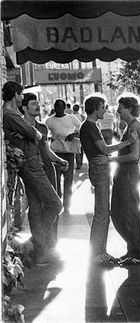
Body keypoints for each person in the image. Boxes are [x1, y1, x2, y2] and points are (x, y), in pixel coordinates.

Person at [2, 81, 63, 266]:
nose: (22, 97)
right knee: (55, 204)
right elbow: (32, 132)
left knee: (36, 209)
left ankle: (40, 252)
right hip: (30, 164)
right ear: (15, 95)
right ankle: (36, 243)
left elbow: (32, 133)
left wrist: (32, 133)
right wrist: (32, 133)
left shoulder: (12, 115)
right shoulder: (10, 114)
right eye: (21, 94)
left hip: (30, 162)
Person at [80, 94, 137, 267]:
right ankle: (97, 253)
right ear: (95, 108)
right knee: (102, 213)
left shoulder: (91, 125)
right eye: (102, 106)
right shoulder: (89, 126)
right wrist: (128, 142)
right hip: (98, 168)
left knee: (104, 213)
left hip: (100, 168)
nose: (105, 109)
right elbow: (104, 149)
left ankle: (100, 252)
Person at [20, 92, 68, 250]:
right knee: (35, 208)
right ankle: (38, 243)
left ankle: (47, 243)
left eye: (37, 103)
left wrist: (59, 160)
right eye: (34, 104)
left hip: (48, 169)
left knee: (53, 205)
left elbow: (46, 150)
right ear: (25, 107)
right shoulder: (20, 127)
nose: (37, 106)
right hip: (31, 171)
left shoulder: (42, 127)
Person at [110, 96, 140, 266]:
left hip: (129, 174)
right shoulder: (130, 126)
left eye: (121, 108)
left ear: (130, 108)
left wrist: (110, 160)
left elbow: (134, 155)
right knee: (118, 214)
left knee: (130, 214)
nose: (118, 111)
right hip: (124, 174)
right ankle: (132, 249)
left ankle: (137, 253)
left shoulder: (134, 127)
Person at [45, 99, 81, 213]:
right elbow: (44, 135)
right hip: (55, 153)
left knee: (68, 179)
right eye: (56, 106)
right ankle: (58, 200)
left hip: (69, 153)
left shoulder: (71, 118)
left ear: (64, 107)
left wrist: (74, 134)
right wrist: (51, 138)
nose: (58, 109)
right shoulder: (49, 121)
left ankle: (67, 204)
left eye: (60, 106)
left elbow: (82, 130)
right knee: (56, 178)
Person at [73, 104, 85, 169]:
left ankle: (78, 164)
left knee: (76, 150)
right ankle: (81, 161)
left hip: (74, 134)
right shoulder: (82, 116)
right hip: (81, 134)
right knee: (81, 149)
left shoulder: (71, 117)